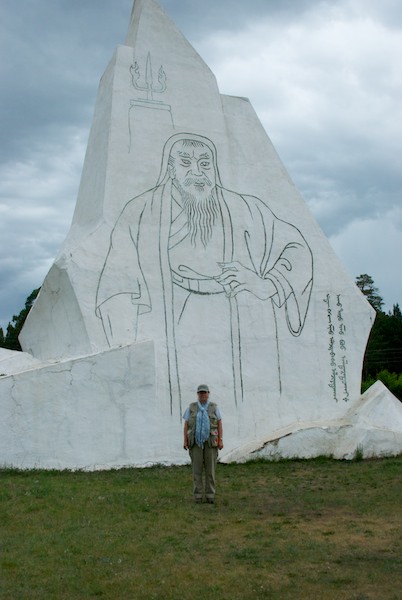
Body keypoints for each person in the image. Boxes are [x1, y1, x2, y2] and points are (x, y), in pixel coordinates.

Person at [96, 133, 313, 415]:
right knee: (172, 399)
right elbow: (117, 284)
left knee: (240, 397)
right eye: (185, 163)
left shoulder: (245, 209)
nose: (197, 172)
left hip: (233, 314)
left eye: (205, 164)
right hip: (171, 314)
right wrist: (126, 356)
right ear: (170, 169)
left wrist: (267, 283)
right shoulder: (140, 212)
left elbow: (298, 248)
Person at [183, 384, 223, 503]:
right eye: (200, 393)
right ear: (197, 394)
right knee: (197, 470)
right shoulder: (191, 407)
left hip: (210, 442)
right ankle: (198, 496)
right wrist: (185, 440)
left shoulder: (214, 407)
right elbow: (186, 424)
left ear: (208, 394)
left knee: (210, 470)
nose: (203, 395)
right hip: (196, 443)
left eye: (204, 393)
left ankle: (210, 495)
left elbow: (219, 423)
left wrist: (220, 440)